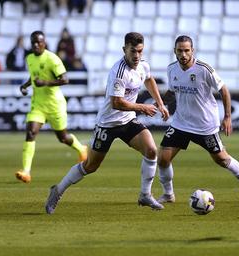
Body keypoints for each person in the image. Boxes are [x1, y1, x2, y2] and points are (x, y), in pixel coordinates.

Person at [45, 32, 170, 214]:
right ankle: (57, 190)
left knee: (151, 150)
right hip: (107, 124)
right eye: (133, 51)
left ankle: (145, 194)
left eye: (140, 51)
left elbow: (149, 79)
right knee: (90, 166)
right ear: (124, 49)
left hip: (127, 121)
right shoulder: (119, 72)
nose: (137, 56)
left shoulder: (143, 65)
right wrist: (143, 107)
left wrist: (159, 103)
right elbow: (116, 103)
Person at [155, 35, 239, 205]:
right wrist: (158, 103)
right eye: (180, 50)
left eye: (187, 50)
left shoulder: (204, 69)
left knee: (222, 159)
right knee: (163, 159)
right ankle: (168, 194)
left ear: (192, 51)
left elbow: (224, 90)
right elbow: (172, 92)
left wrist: (228, 117)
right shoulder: (172, 69)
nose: (183, 54)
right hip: (181, 123)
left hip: (205, 125)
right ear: (175, 51)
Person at [15, 31, 87, 183]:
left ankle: (81, 149)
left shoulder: (52, 58)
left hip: (55, 104)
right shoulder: (29, 58)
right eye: (33, 42)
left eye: (38, 42)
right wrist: (26, 85)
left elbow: (65, 80)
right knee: (31, 132)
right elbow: (34, 76)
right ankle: (26, 171)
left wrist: (46, 83)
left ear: (44, 43)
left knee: (63, 138)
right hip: (38, 104)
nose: (36, 45)